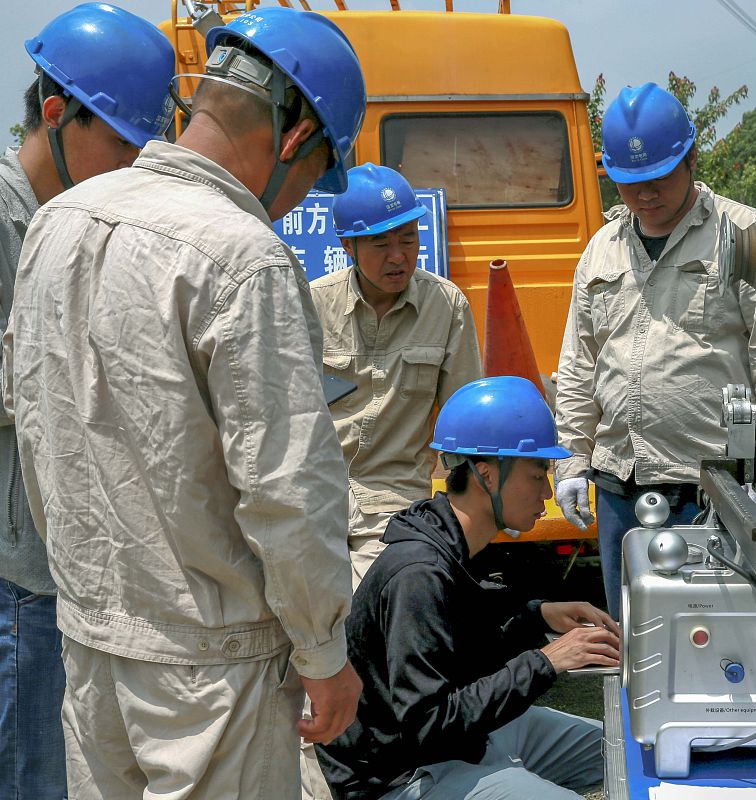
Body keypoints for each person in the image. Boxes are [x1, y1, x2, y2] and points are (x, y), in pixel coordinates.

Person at [4, 8, 368, 798]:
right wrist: (323, 653)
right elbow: (287, 489)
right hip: (213, 668)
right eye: (316, 173)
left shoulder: (57, 222)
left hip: (91, 641)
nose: (299, 199)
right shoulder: (244, 256)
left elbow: (32, 420)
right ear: (297, 136)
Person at [554, 82, 756, 619]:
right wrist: (572, 462)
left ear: (692, 158)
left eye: (659, 178)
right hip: (619, 487)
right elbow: (580, 365)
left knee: (712, 640)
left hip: (712, 492)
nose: (645, 195)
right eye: (630, 183)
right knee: (633, 638)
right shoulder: (601, 248)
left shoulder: (746, 237)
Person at [0, 5, 176, 798]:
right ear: (53, 114)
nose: (132, 162)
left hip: (63, 563)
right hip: (19, 575)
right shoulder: (6, 217)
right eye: (119, 141)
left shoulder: (62, 221)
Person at [317, 376, 619, 800]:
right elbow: (428, 724)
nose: (548, 492)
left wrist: (538, 615)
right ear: (487, 475)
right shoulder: (418, 574)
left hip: (462, 741)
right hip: (402, 774)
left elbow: (467, 643)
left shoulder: (453, 542)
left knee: (622, 752)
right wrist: (546, 662)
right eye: (537, 475)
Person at [312, 163, 482, 589]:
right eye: (380, 243)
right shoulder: (312, 305)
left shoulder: (447, 306)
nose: (398, 256)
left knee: (378, 604)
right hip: (315, 497)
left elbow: (464, 426)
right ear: (347, 245)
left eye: (408, 239)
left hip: (396, 504)